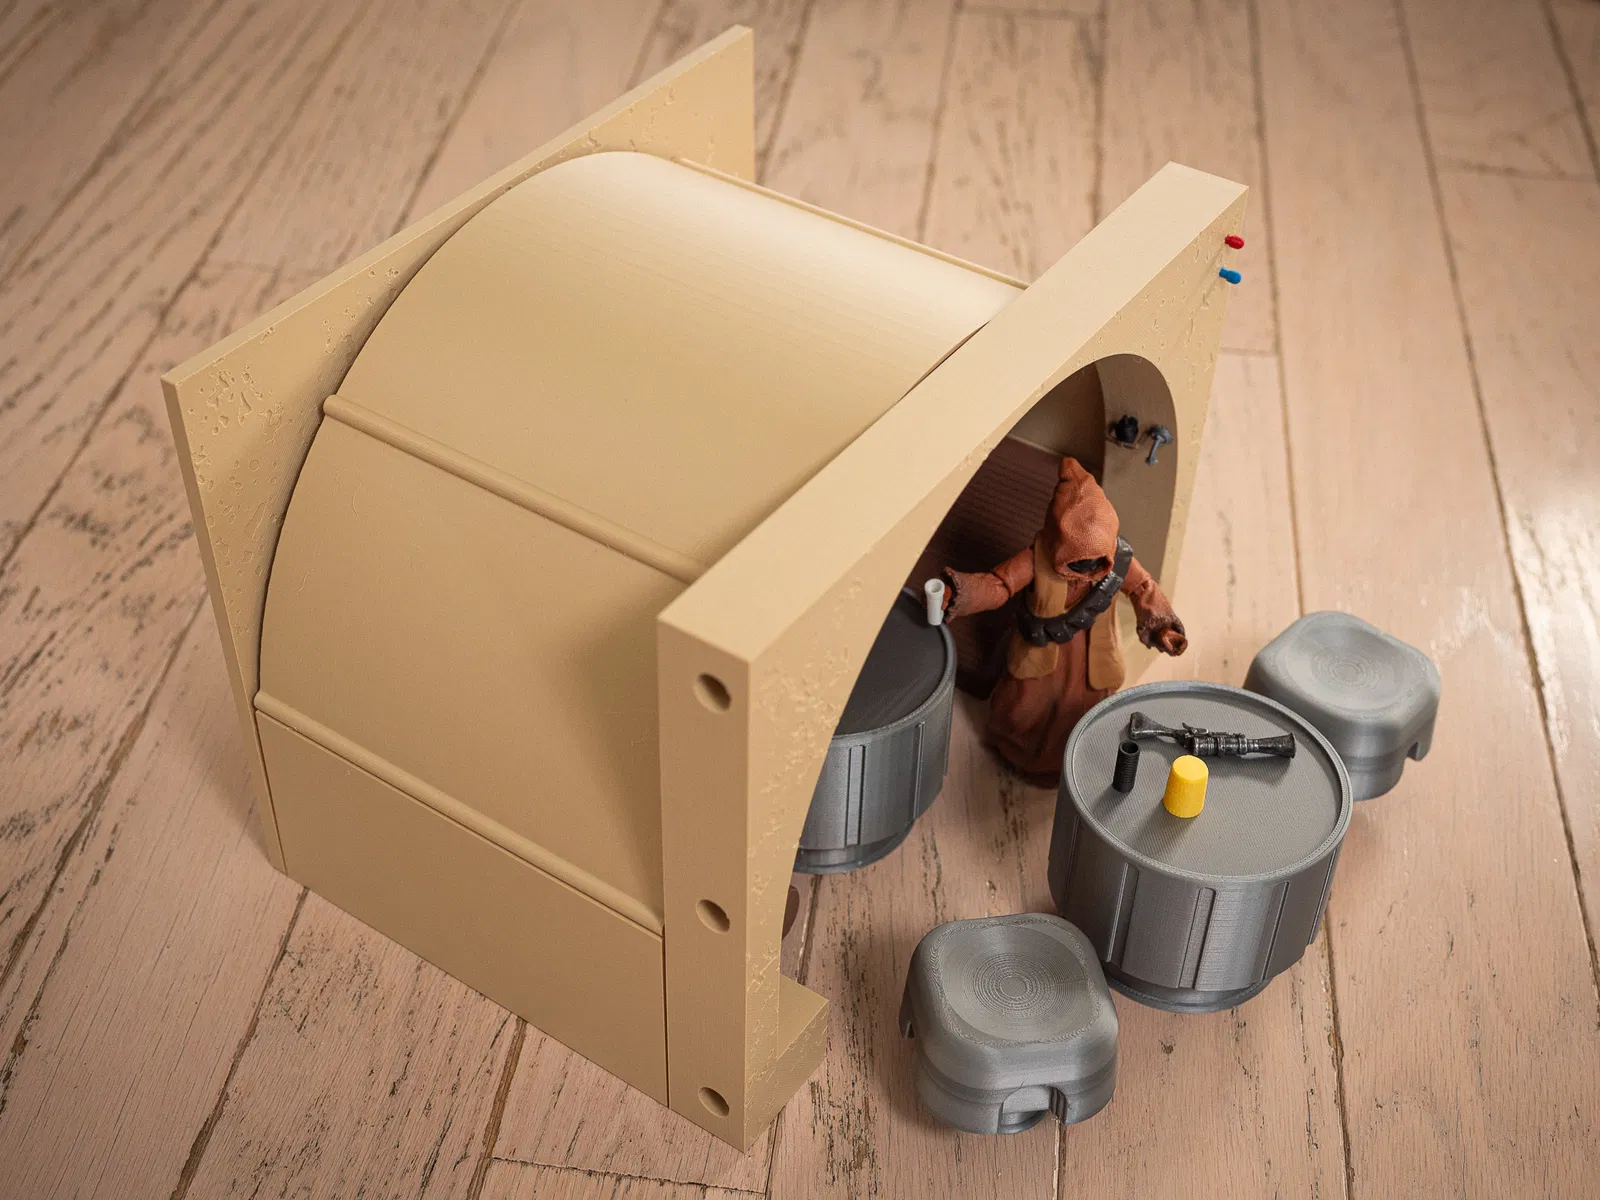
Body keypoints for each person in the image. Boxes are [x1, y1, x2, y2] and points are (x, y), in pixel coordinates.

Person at [942, 456, 1187, 784]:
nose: (1087, 569)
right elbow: (999, 584)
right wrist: (960, 593)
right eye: (1078, 560)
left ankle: (1076, 760)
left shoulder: (1119, 559)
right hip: (1042, 652)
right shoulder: (1037, 557)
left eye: (1096, 560)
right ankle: (1022, 757)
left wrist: (1163, 627)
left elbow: (1144, 588)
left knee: (1083, 710)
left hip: (1093, 654)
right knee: (1026, 708)